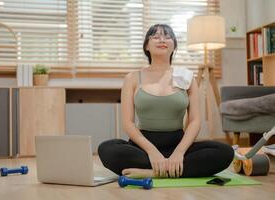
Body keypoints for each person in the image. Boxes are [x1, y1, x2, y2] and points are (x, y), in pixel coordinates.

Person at [98, 24, 234, 178]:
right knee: (106, 149)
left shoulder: (187, 77)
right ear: (146, 46)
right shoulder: (132, 78)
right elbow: (128, 124)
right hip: (142, 146)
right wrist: (152, 152)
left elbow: (195, 121)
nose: (162, 39)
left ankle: (154, 172)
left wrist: (179, 152)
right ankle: (172, 170)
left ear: (174, 45)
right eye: (155, 36)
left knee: (225, 152)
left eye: (167, 36)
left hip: (177, 143)